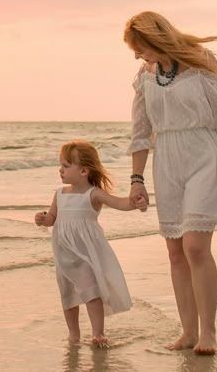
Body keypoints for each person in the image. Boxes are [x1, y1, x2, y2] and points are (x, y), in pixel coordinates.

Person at [123, 11, 217, 355]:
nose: (137, 55)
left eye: (140, 48)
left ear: (155, 39)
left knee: (196, 246)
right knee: (175, 251)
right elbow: (140, 131)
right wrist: (137, 180)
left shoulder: (201, 63)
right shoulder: (145, 75)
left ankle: (209, 333)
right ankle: (188, 332)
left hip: (204, 154)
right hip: (167, 159)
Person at [35, 140, 147, 347]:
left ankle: (98, 333)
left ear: (84, 170)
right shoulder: (59, 194)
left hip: (84, 255)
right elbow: (52, 218)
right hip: (63, 256)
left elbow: (120, 203)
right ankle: (73, 334)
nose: (61, 170)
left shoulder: (93, 194)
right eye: (61, 165)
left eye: (66, 166)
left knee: (91, 292)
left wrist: (135, 202)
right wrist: (42, 219)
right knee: (67, 295)